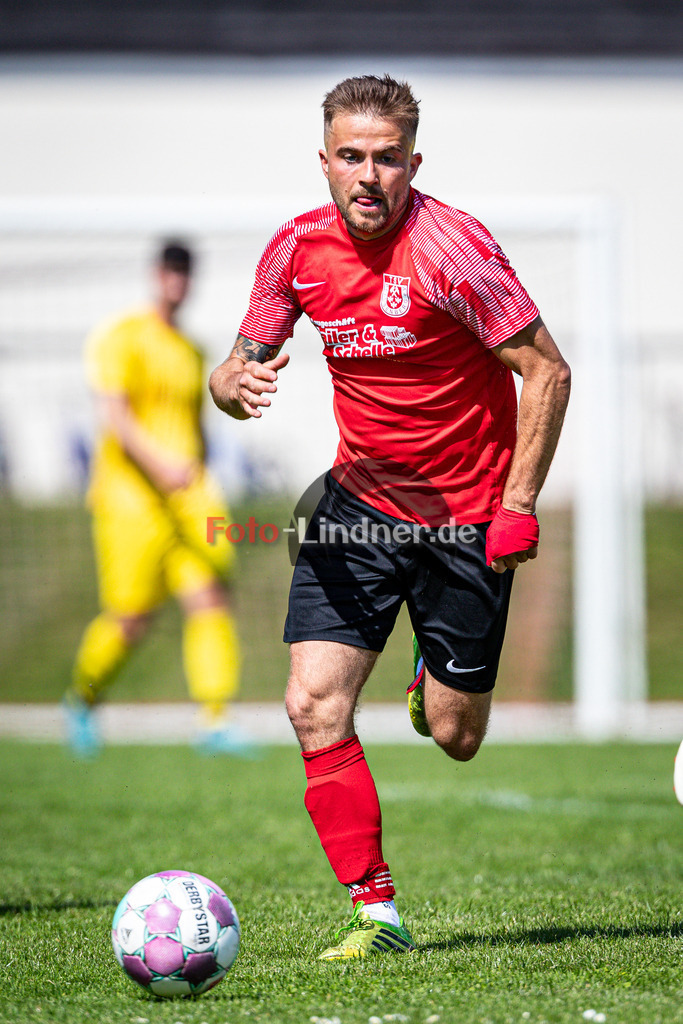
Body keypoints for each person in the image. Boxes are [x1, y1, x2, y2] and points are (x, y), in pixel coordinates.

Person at [209, 74, 571, 958]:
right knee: (310, 703)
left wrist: (515, 505)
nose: (367, 176)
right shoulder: (293, 251)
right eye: (349, 157)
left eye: (385, 159)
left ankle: (430, 680)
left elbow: (547, 373)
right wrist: (227, 386)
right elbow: (234, 365)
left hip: (467, 513)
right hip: (357, 506)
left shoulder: (456, 253)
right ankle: (377, 913)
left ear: (412, 162)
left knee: (456, 736)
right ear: (324, 160)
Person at [63, 241, 253, 759]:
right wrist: (163, 465)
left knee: (210, 597)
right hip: (129, 501)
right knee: (130, 617)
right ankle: (82, 698)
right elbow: (116, 417)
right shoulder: (121, 336)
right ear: (156, 275)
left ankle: (215, 719)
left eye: (186, 272)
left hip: (187, 503)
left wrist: (201, 474)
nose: (178, 281)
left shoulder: (192, 352)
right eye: (171, 270)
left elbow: (196, 427)